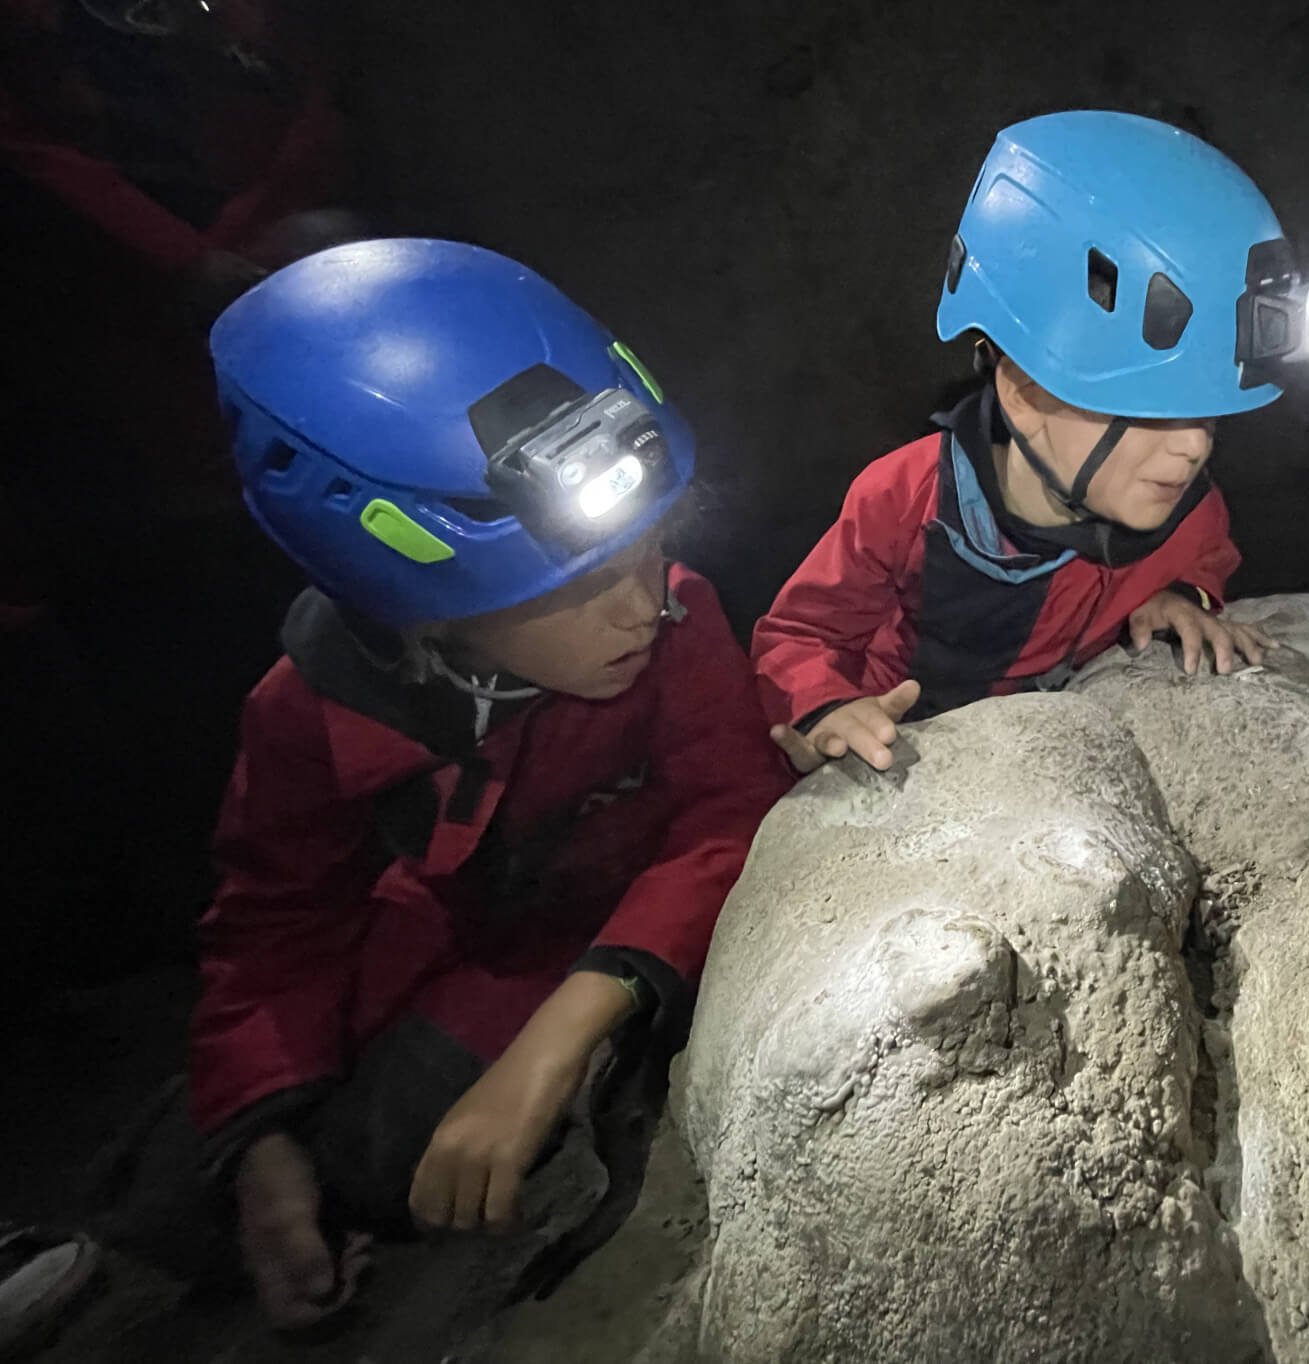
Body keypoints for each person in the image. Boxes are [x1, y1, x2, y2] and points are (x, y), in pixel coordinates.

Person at [63, 238, 788, 1337]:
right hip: (431, 935)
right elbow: (273, 925)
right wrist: (259, 1138)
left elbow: (726, 815)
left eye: (649, 551)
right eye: (583, 583)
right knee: (189, 1159)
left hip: (558, 944)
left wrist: (559, 1038)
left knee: (397, 1145)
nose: (643, 604)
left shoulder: (674, 624)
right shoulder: (310, 708)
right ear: (408, 590)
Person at [754, 110, 1309, 772]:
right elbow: (799, 634)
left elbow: (1209, 551)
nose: (1193, 450)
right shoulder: (907, 501)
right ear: (1022, 389)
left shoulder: (1183, 509)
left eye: (1209, 416)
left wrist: (1182, 596)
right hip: (901, 758)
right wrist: (827, 708)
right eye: (1150, 412)